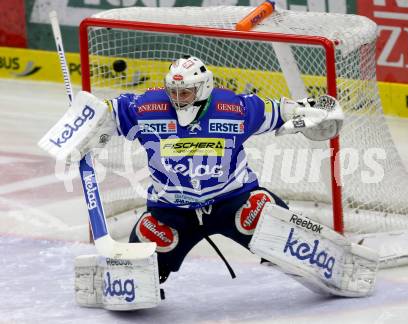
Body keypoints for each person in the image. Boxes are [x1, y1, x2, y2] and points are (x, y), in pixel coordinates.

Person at [40, 55, 378, 310]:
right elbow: (106, 114)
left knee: (273, 220)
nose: (178, 98)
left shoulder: (234, 108)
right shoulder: (148, 107)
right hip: (171, 212)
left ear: (202, 88)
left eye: (185, 91)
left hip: (234, 201)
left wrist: (315, 113)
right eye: (174, 91)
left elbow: (284, 111)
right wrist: (81, 130)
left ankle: (324, 259)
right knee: (140, 266)